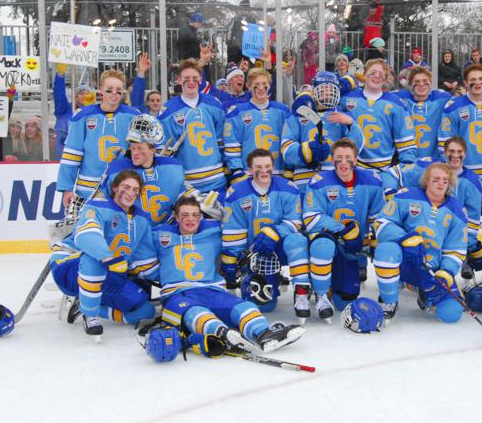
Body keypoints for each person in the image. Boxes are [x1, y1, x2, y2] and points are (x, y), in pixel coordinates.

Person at [152, 193, 305, 355]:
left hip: (211, 290)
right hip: (177, 295)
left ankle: (263, 334)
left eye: (195, 215)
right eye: (184, 215)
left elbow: (237, 237)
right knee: (197, 314)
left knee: (245, 307)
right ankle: (224, 335)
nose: (191, 219)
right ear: (176, 217)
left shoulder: (214, 232)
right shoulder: (159, 235)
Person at [53, 170, 160, 337]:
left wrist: (171, 282)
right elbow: (86, 235)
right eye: (126, 187)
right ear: (115, 187)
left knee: (145, 311)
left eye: (135, 190)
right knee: (93, 260)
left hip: (110, 272)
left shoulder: (141, 221)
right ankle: (90, 314)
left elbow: (144, 261)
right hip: (69, 266)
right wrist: (108, 259)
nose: (130, 193)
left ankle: (83, 305)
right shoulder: (97, 206)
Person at [221, 149, 312, 320]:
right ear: (249, 170)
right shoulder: (237, 192)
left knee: (298, 240)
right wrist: (233, 261)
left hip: (281, 247)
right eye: (258, 167)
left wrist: (275, 232)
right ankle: (259, 276)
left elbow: (295, 222)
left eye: (267, 166)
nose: (264, 171)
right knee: (265, 306)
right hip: (256, 253)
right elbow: (234, 231)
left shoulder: (288, 188)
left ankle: (302, 289)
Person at [372, 161, 467, 322]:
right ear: (427, 181)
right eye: (436, 179)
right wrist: (404, 238)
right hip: (406, 260)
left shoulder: (457, 210)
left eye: (445, 180)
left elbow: (456, 249)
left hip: (432, 269)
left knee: (451, 314)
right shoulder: (406, 195)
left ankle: (423, 291)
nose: (441, 184)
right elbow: (381, 222)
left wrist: (446, 272)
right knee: (386, 250)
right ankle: (389, 300)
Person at [303, 138, 386, 320]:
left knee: (345, 302)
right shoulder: (319, 181)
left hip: (351, 249)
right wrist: (343, 230)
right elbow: (310, 218)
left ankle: (338, 281)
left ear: (355, 160)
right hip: (328, 242)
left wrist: (374, 239)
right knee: (323, 246)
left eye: (348, 158)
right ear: (332, 159)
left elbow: (378, 217)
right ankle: (321, 292)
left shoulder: (372, 181)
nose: (343, 162)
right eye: (338, 158)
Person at [390, 136, 482, 279]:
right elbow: (394, 173)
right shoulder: (428, 167)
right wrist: (389, 192)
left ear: (465, 154)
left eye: (459, 151)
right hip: (421, 225)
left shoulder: (473, 181)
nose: (455, 155)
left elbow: (472, 218)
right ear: (445, 152)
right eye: (451, 151)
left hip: (451, 232)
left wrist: (467, 245)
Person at [438, 63, 482, 242]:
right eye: (473, 80)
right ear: (465, 83)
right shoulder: (453, 106)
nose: (477, 83)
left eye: (481, 79)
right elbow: (445, 141)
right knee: (462, 223)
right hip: (464, 178)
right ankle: (465, 255)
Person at [57, 69, 141, 210]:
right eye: (109, 90)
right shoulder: (82, 116)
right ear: (101, 90)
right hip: (88, 189)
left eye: (118, 90)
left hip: (124, 189)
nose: (114, 93)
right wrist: (67, 188)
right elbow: (72, 155)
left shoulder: (134, 116)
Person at [280, 72, 361, 193]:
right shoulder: (299, 113)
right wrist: (307, 151)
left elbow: (357, 147)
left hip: (336, 177)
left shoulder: (343, 115)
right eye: (323, 89)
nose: (327, 93)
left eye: (331, 89)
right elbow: (286, 147)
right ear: (314, 90)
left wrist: (351, 124)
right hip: (304, 178)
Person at [100, 114, 186, 226]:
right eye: (133, 148)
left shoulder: (172, 167)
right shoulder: (117, 170)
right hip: (129, 230)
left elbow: (181, 198)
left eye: (140, 148)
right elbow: (101, 201)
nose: (135, 153)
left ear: (153, 150)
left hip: (164, 230)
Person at [158, 59, 227, 193]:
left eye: (195, 78)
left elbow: (222, 140)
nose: (191, 82)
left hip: (216, 180)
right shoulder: (168, 111)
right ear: (179, 80)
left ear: (200, 79)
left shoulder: (214, 104)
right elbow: (165, 152)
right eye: (186, 78)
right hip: (187, 183)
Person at [341, 58, 415, 170]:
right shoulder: (348, 97)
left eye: (381, 74)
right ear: (364, 74)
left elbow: (405, 140)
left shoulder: (396, 103)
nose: (377, 76)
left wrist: (405, 167)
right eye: (373, 73)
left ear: (385, 79)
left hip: (384, 169)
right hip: (352, 168)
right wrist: (344, 82)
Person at [224, 67, 291, 177]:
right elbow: (232, 143)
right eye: (256, 84)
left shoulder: (283, 110)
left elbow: (290, 140)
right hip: (249, 174)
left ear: (269, 85)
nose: (261, 88)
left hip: (277, 172)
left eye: (264, 84)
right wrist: (237, 171)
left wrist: (290, 167)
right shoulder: (237, 112)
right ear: (249, 86)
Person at [397, 66, 450, 159]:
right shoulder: (401, 98)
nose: (421, 84)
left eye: (425, 81)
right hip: (408, 161)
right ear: (410, 85)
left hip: (433, 160)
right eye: (417, 82)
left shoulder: (441, 99)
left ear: (430, 83)